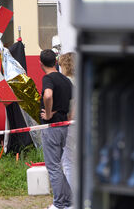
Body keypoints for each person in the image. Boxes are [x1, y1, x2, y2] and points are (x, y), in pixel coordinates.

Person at [40, 49, 73, 209]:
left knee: (53, 167)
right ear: (55, 62)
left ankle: (59, 204)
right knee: (57, 166)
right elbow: (74, 102)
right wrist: (69, 118)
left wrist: (47, 113)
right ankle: (70, 200)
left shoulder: (48, 78)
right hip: (64, 128)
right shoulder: (66, 80)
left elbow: (47, 95)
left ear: (41, 64)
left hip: (52, 127)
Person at [58, 53, 77, 197]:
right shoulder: (81, 79)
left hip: (69, 123)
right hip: (82, 123)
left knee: (67, 161)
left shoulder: (65, 82)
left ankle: (71, 197)